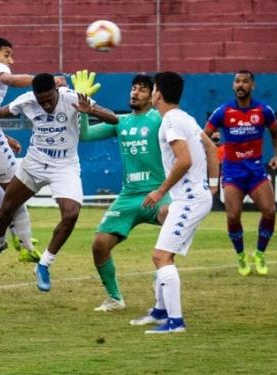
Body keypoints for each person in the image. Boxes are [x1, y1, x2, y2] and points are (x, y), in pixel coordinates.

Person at [0, 74, 118, 291]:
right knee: (7, 208)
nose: (46, 105)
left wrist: (91, 111)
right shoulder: (27, 100)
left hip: (64, 165)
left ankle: (44, 264)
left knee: (71, 214)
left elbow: (114, 119)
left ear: (56, 91)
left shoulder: (71, 97)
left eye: (49, 100)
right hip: (35, 162)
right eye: (41, 101)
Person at [129, 72, 219, 334]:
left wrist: (160, 191)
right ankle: (160, 311)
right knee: (164, 247)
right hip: (190, 197)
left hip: (188, 199)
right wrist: (212, 186)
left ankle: (176, 323)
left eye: (154, 89)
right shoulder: (186, 117)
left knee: (160, 257)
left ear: (158, 93)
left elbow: (184, 161)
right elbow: (212, 149)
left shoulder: (170, 121)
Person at [74, 72, 170, 312]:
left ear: (152, 96)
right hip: (129, 196)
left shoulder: (159, 119)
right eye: (133, 88)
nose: (135, 93)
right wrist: (84, 113)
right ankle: (115, 298)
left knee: (171, 216)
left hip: (158, 193)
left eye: (141, 89)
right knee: (99, 244)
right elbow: (85, 136)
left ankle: (162, 277)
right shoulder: (121, 122)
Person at [0, 37, 64, 262]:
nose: (11, 60)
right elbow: (10, 79)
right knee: (16, 192)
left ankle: (16, 235)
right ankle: (24, 244)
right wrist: (43, 81)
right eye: (7, 54)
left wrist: (4, 137)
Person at [204, 70, 277, 276]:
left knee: (270, 211)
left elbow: (274, 133)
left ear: (252, 86)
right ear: (233, 86)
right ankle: (241, 256)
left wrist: (276, 156)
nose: (240, 85)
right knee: (232, 215)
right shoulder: (223, 111)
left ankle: (260, 254)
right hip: (232, 171)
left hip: (256, 169)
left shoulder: (264, 110)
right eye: (237, 81)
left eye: (245, 81)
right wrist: (212, 149)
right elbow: (203, 136)